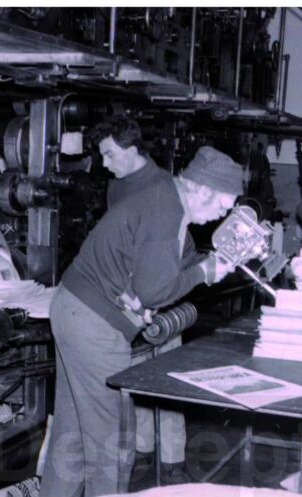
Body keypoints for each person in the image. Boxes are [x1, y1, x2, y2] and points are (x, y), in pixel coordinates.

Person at [40, 144, 243, 497]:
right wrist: (204, 274)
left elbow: (161, 267)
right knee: (113, 439)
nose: (221, 216)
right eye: (222, 206)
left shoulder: (166, 197)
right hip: (94, 325)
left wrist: (205, 266)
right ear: (203, 190)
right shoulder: (167, 211)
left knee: (72, 434)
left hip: (73, 307)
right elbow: (153, 292)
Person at [89, 115, 194, 484]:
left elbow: (183, 250)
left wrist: (158, 294)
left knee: (167, 379)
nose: (105, 164)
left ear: (132, 150)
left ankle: (173, 461)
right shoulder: (116, 187)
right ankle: (145, 451)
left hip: (161, 295)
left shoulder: (165, 187)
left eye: (109, 155)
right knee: (136, 377)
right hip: (128, 300)